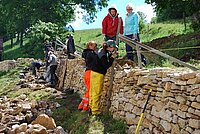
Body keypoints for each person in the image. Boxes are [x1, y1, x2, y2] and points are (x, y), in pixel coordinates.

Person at [89, 40, 118, 117]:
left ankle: (91, 107)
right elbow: (106, 65)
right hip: (98, 74)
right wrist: (112, 58)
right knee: (97, 92)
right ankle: (95, 112)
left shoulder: (101, 51)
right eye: (113, 47)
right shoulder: (103, 54)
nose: (114, 49)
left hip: (93, 73)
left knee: (92, 91)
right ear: (109, 47)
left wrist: (110, 55)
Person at [78, 41, 97, 112]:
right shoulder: (91, 53)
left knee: (88, 90)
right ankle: (85, 107)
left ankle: (81, 105)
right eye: (94, 46)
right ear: (90, 46)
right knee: (90, 90)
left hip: (86, 72)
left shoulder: (85, 53)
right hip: (91, 73)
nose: (95, 47)